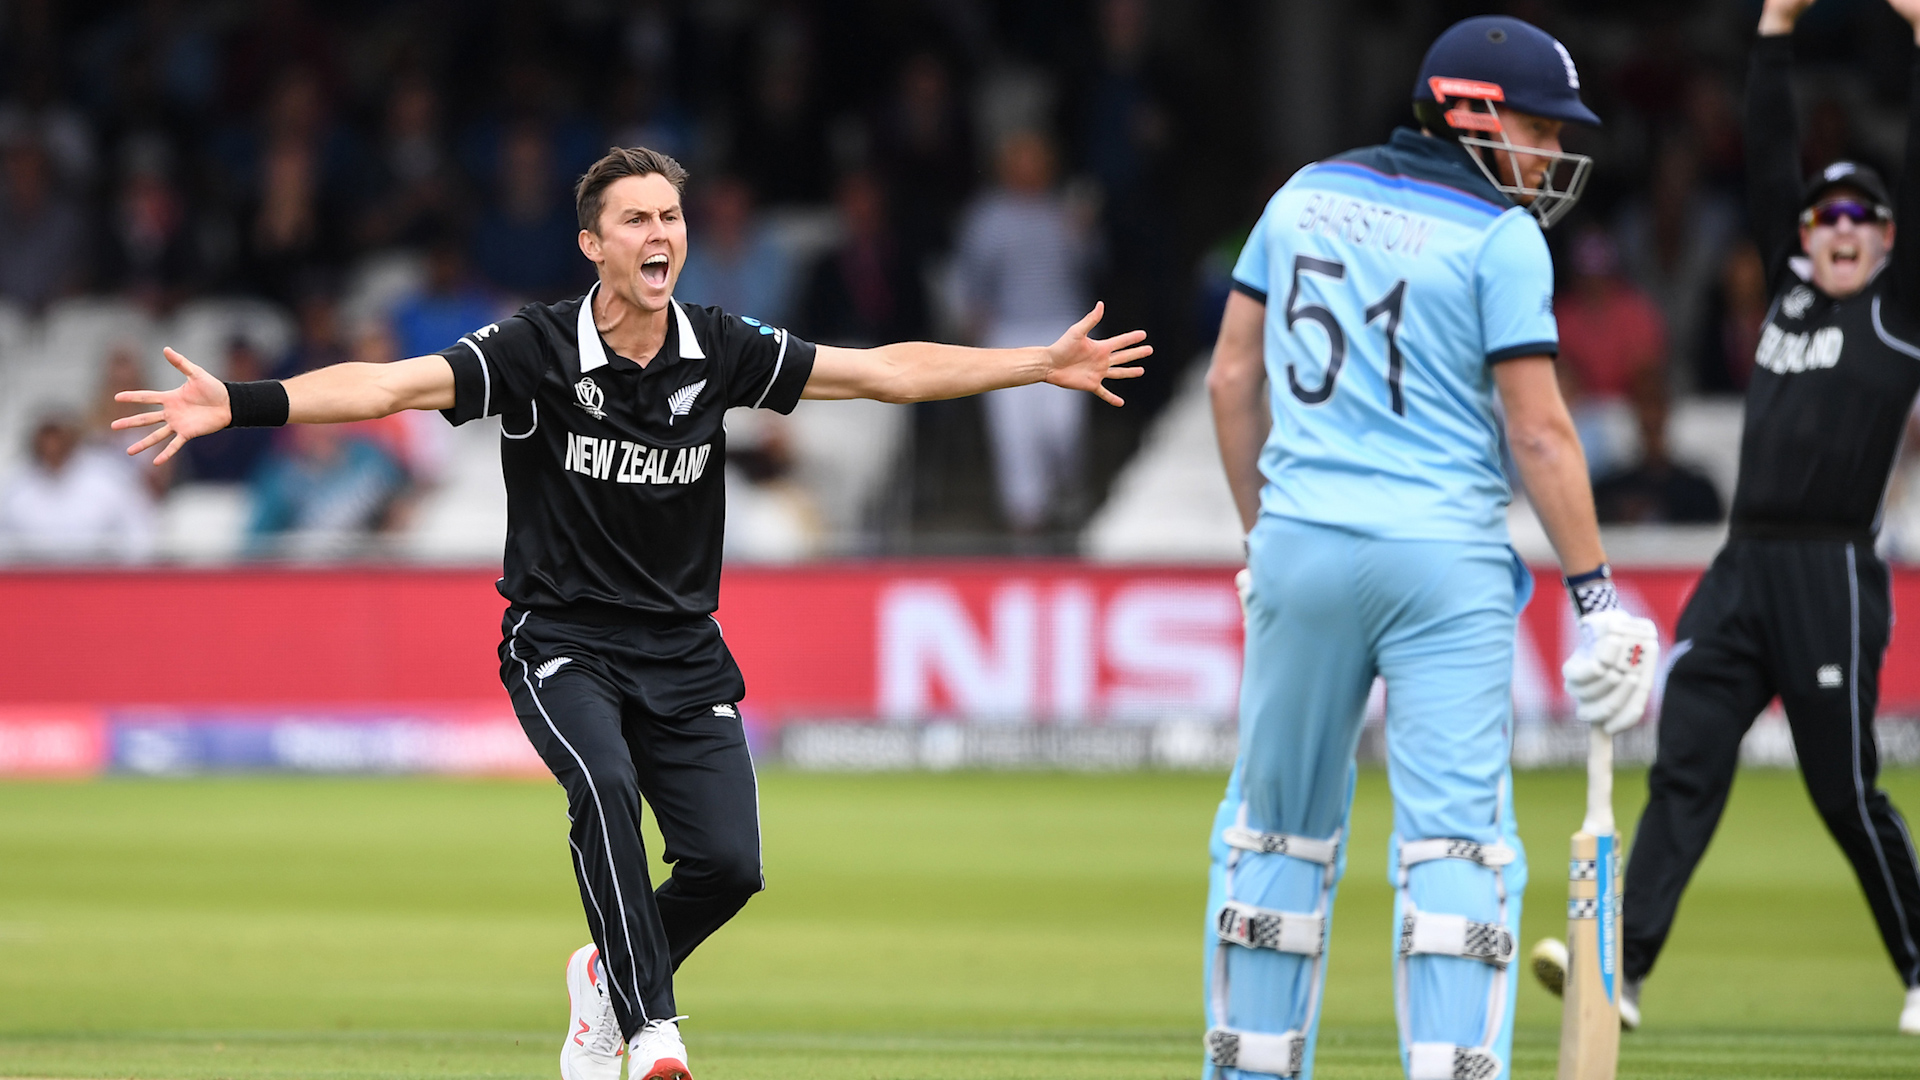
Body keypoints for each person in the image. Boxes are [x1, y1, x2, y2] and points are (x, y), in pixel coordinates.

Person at [113, 146, 1149, 1080]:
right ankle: (649, 1028)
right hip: (560, 640)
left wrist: (1037, 365)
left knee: (729, 867)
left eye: (671, 218)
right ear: (593, 245)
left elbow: (880, 371)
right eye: (639, 221)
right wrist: (242, 403)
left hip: (684, 648)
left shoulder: (721, 345)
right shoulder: (533, 350)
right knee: (605, 788)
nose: (662, 236)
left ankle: (602, 977)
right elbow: (388, 387)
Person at [1203, 17, 1657, 1080]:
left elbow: (1232, 379)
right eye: (1540, 131)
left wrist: (1260, 538)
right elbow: (1539, 431)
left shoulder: (1301, 194)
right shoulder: (1502, 240)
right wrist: (1598, 602)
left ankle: (1250, 1065)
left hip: (1303, 548)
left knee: (1274, 835)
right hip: (1442, 564)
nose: (1549, 157)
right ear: (1471, 111)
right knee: (1454, 846)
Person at [1590, 0, 1920, 1037]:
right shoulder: (1786, 292)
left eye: (1862, 219)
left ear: (1889, 238)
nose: (1839, 233)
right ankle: (1623, 971)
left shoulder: (1897, 310)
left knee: (1841, 793)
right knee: (1684, 755)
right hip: (1741, 568)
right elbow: (1771, 150)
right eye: (1825, 220)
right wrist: (1774, 25)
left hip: (1830, 576)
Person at [955, 130, 1096, 536]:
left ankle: (1067, 496)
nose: (1030, 169)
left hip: (1063, 330)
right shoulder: (987, 217)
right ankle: (1025, 519)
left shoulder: (1064, 210)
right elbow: (969, 275)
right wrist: (972, 316)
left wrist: (1083, 232)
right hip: (1008, 331)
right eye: (1022, 160)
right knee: (1015, 433)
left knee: (1062, 428)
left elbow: (1093, 264)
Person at [1591, 366, 1724, 524]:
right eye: (1644, 402)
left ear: (1669, 409)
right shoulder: (1609, 491)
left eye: (1657, 402)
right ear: (1633, 410)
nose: (1651, 414)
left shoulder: (1699, 492)